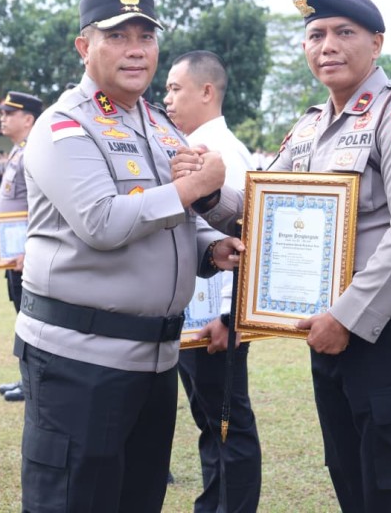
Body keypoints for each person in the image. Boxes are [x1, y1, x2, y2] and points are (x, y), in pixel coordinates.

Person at [173, 0, 391, 512]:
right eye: (315, 35)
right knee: (349, 471)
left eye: (343, 33)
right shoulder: (308, 128)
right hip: (325, 325)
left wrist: (347, 316)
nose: (327, 45)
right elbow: (262, 211)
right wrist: (211, 193)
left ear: (376, 44)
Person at [13, 0, 243, 513]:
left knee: (138, 499)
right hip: (78, 360)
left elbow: (172, 217)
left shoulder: (159, 126)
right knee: (75, 501)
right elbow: (101, 222)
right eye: (117, 37)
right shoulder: (64, 126)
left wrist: (210, 246)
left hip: (155, 360)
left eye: (145, 36)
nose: (136, 49)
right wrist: (191, 187)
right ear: (83, 47)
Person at [164, 50, 262, 512]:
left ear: (207, 91)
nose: (166, 98)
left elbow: (241, 239)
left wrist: (229, 316)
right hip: (191, 319)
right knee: (209, 422)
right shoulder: (184, 148)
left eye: (174, 88)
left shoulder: (225, 155)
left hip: (214, 324)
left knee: (228, 423)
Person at [0, 90, 43, 403]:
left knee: (32, 319)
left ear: (28, 119)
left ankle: (34, 384)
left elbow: (42, 206)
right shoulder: (19, 150)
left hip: (27, 254)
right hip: (14, 252)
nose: (3, 117)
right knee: (22, 316)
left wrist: (29, 249)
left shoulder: (34, 152)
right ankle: (28, 379)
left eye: (10, 113)